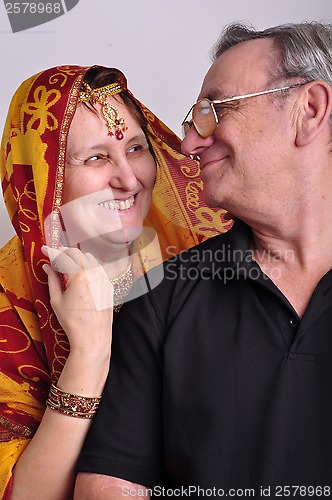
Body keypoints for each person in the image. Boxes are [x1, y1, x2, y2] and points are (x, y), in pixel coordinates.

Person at [75, 21, 332, 498]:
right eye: (95, 158)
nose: (188, 144)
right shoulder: (158, 299)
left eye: (213, 111)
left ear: (309, 110)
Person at [0, 64, 228, 498]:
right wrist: (88, 354)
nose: (129, 179)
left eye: (137, 149)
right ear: (45, 175)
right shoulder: (7, 301)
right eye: (97, 157)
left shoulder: (197, 255)